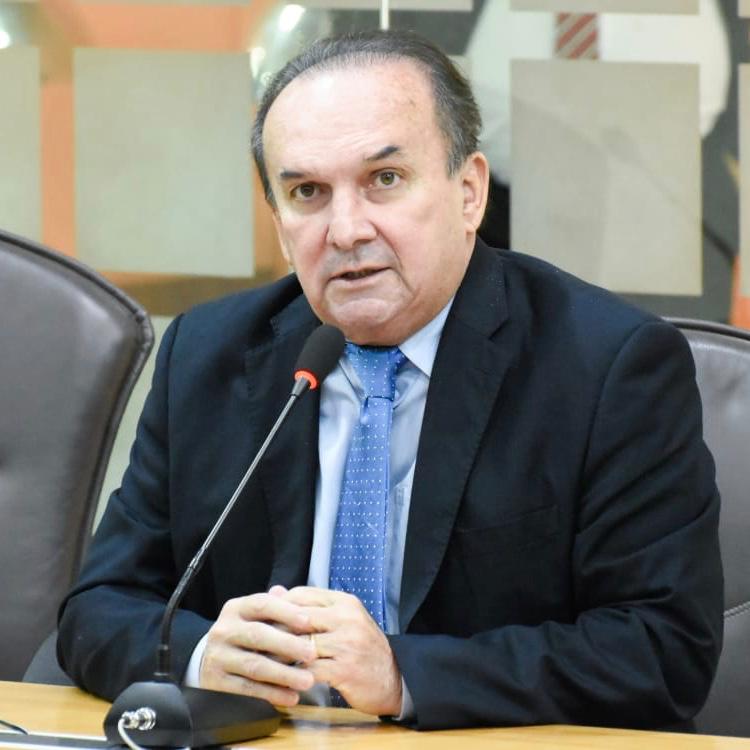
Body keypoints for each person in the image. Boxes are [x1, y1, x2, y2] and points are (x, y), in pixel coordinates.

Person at [57, 30, 723, 731]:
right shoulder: (209, 354)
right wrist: (199, 658)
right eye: (307, 192)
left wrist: (405, 674)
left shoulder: (606, 365)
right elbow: (98, 608)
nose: (346, 230)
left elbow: (663, 649)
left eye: (385, 180)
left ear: (469, 193)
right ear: (280, 227)